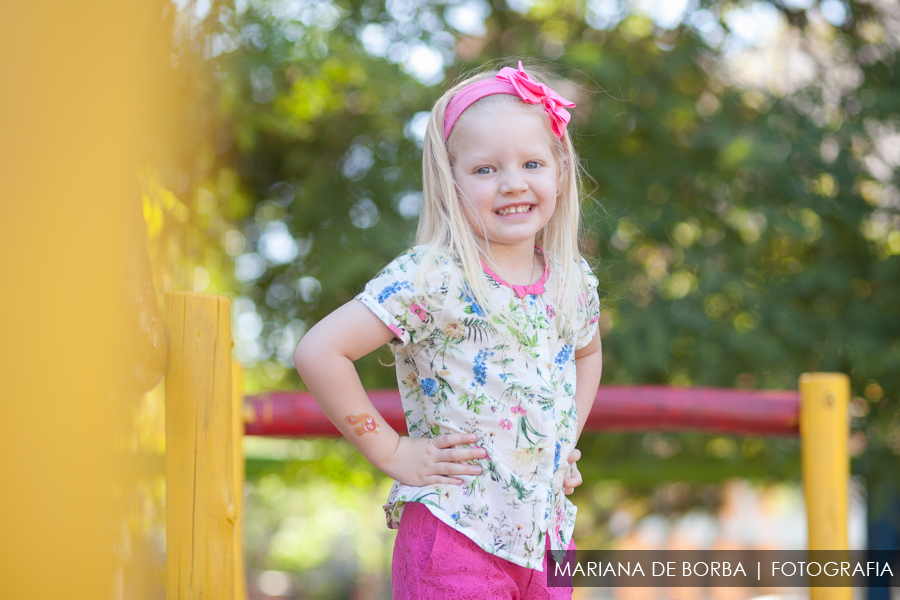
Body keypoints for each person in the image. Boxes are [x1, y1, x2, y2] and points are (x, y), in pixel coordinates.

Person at [293, 60, 603, 599]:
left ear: (559, 170)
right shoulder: (433, 275)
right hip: (455, 539)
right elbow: (320, 351)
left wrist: (563, 442)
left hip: (545, 540)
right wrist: (391, 452)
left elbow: (587, 354)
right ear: (451, 180)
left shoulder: (571, 279)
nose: (512, 183)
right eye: (485, 170)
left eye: (532, 163)